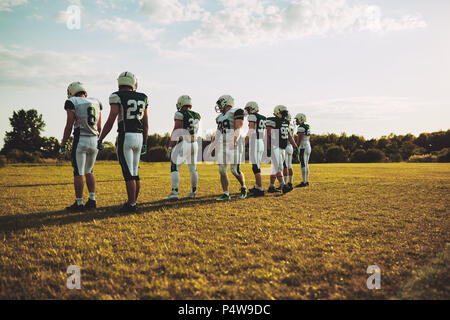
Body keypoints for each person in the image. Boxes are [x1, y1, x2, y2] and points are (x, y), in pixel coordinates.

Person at [98, 72, 149, 212]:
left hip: (126, 136)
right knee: (135, 173)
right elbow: (146, 124)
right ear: (133, 83)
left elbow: (111, 119)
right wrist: (145, 142)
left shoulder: (117, 96)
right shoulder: (143, 97)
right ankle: (132, 202)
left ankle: (132, 205)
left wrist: (101, 138)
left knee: (128, 174)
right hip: (139, 137)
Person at [60, 82, 102, 212]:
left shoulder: (72, 102)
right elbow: (99, 127)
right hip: (94, 139)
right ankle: (92, 199)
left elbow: (69, 125)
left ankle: (79, 203)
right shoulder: (96, 101)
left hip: (81, 139)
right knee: (89, 170)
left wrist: (63, 144)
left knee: (78, 172)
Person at [165, 95, 201, 200]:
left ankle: (174, 192)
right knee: (193, 169)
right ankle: (193, 192)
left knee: (174, 167)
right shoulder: (197, 115)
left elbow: (176, 130)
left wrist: (170, 146)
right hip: (194, 143)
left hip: (183, 143)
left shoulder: (180, 113)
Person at [213, 95, 247, 201]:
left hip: (234, 143)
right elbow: (219, 130)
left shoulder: (236, 111)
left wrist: (234, 140)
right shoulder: (220, 117)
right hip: (223, 144)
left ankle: (243, 187)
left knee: (235, 170)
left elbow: (239, 127)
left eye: (220, 103)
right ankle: (226, 193)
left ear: (226, 102)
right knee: (222, 170)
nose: (218, 106)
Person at [266, 105, 298, 194]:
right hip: (275, 146)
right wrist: (268, 148)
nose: (285, 114)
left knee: (275, 168)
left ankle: (271, 186)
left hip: (283, 147)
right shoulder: (272, 120)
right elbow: (268, 135)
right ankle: (283, 186)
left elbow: (289, 136)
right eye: (283, 112)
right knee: (278, 167)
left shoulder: (285, 122)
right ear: (277, 112)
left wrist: (295, 146)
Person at [244, 101, 266, 197]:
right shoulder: (263, 118)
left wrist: (245, 142)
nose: (248, 111)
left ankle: (260, 189)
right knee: (257, 165)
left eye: (248, 109)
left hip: (255, 142)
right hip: (261, 141)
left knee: (255, 166)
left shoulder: (253, 117)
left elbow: (251, 129)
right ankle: (257, 186)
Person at [295, 113, 311, 187]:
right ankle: (306, 181)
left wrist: (296, 147)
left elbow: (299, 139)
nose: (296, 121)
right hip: (308, 145)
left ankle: (304, 182)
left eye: (297, 119)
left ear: (301, 119)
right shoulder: (307, 126)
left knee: (303, 165)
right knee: (306, 164)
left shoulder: (301, 128)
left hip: (303, 147)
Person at [283, 112, 294, 191]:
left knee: (285, 166)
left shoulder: (285, 125)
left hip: (285, 146)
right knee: (290, 165)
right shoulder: (292, 126)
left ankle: (285, 183)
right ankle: (290, 182)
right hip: (290, 147)